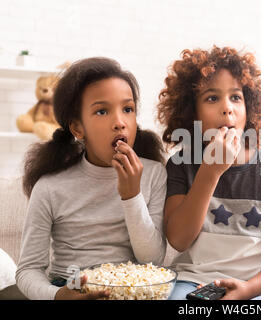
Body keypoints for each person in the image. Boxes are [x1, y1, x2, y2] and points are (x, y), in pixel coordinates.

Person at [157, 46, 261, 300]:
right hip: (191, 282)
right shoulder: (181, 164)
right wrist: (211, 171)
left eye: (236, 97)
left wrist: (250, 288)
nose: (227, 108)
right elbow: (178, 240)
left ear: (249, 107)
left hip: (252, 288)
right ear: (192, 113)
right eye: (212, 98)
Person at [16, 57, 167, 300]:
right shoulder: (50, 187)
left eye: (127, 109)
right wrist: (58, 296)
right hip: (68, 286)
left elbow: (153, 259)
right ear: (78, 128)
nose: (120, 123)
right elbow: (28, 270)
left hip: (132, 290)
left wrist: (131, 195)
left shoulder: (154, 174)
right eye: (102, 111)